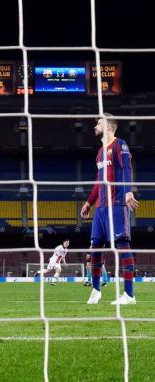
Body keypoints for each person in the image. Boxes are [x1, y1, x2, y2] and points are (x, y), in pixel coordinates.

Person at [81, 114, 139, 305]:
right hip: (101, 208)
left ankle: (129, 295)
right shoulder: (99, 152)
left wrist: (128, 192)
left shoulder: (119, 144)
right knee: (95, 248)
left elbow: (126, 169)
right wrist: (89, 202)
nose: (95, 126)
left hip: (117, 204)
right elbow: (99, 181)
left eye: (98, 123)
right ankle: (96, 291)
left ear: (108, 126)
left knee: (122, 247)